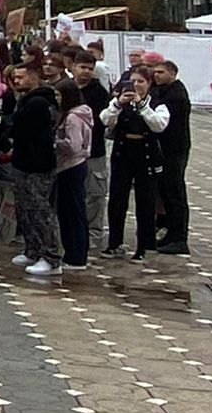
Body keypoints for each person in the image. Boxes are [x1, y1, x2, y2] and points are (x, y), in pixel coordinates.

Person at [100, 68, 166, 260]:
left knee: (145, 201)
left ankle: (144, 245)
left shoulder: (156, 104)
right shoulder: (119, 102)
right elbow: (105, 119)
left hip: (145, 154)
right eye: (133, 81)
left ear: (149, 84)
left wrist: (142, 107)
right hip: (123, 152)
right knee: (117, 199)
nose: (136, 85)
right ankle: (114, 242)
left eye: (141, 81)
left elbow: (159, 125)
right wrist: (118, 104)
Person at [6, 61, 63, 279]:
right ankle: (33, 249)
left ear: (33, 76)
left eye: (21, 77)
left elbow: (20, 129)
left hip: (38, 164)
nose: (17, 81)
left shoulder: (38, 102)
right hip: (23, 161)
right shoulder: (25, 101)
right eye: (15, 78)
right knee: (25, 209)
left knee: (39, 210)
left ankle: (50, 256)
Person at [148, 57, 192, 254]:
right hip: (162, 150)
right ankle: (170, 234)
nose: (157, 76)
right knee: (165, 192)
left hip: (174, 150)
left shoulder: (176, 95)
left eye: (161, 72)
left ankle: (179, 237)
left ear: (172, 74)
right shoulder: (160, 91)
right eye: (155, 72)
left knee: (175, 193)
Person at [67, 52, 110, 246]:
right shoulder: (67, 88)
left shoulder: (99, 93)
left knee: (95, 194)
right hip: (70, 151)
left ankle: (94, 234)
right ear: (73, 66)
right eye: (82, 67)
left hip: (94, 151)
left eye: (90, 68)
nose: (86, 72)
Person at [53, 73, 94, 272]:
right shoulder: (81, 114)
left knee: (72, 211)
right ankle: (76, 252)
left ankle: (76, 255)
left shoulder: (72, 118)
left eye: (59, 96)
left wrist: (54, 143)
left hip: (71, 166)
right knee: (74, 210)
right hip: (75, 165)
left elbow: (73, 145)